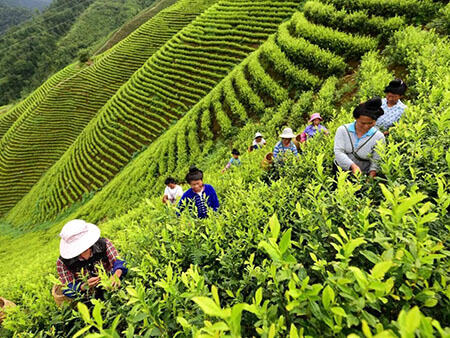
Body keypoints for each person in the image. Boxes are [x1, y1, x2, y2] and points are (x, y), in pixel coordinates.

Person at [56, 220, 127, 299]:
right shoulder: (63, 262)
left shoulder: (103, 244)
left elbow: (119, 261)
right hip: (88, 297)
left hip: (110, 285)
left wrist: (116, 275)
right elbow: (67, 287)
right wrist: (82, 287)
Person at [334, 97, 385, 178]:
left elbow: (376, 161)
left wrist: (371, 177)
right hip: (341, 172)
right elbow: (338, 152)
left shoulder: (378, 136)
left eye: (370, 123)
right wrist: (352, 166)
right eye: (362, 123)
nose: (366, 126)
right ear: (356, 118)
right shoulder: (343, 130)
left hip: (363, 175)